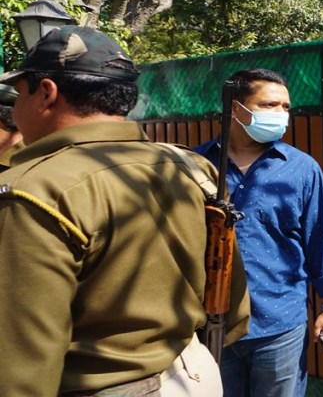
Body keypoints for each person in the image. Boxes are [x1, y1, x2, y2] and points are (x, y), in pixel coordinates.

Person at [0, 26, 249, 396]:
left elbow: (21, 369)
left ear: (47, 93)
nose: (15, 109)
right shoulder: (187, 166)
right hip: (194, 371)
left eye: (20, 94)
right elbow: (235, 307)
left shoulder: (33, 190)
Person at [195, 68, 323, 397]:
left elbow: (322, 240)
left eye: (285, 107)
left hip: (278, 324)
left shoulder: (301, 168)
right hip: (210, 324)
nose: (280, 114)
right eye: (269, 105)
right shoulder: (196, 165)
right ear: (236, 109)